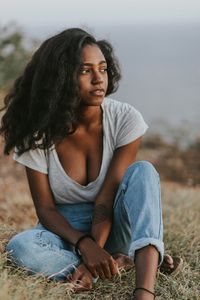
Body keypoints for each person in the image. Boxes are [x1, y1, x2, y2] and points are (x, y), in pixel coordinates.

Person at [0, 28, 180, 299]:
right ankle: (116, 264)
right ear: (61, 77)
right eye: (85, 70)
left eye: (103, 68)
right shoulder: (40, 133)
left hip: (115, 223)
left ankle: (144, 286)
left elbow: (106, 199)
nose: (99, 79)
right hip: (64, 232)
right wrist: (84, 246)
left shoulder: (124, 119)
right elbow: (46, 210)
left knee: (143, 171)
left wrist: (95, 248)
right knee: (20, 247)